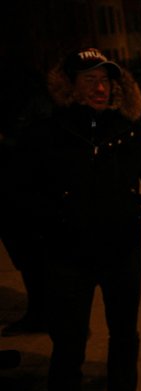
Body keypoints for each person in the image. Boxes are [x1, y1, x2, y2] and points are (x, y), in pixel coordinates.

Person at [20, 48, 141, 391]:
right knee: (69, 341)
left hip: (121, 252)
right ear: (69, 86)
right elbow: (22, 190)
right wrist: (52, 223)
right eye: (89, 79)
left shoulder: (128, 130)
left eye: (105, 79)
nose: (100, 87)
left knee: (124, 333)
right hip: (66, 255)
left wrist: (138, 209)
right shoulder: (49, 132)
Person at [0, 62, 51, 336]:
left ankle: (42, 311)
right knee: (26, 253)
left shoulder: (24, 88)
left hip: (21, 184)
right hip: (18, 183)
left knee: (30, 252)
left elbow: (31, 137)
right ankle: (40, 309)